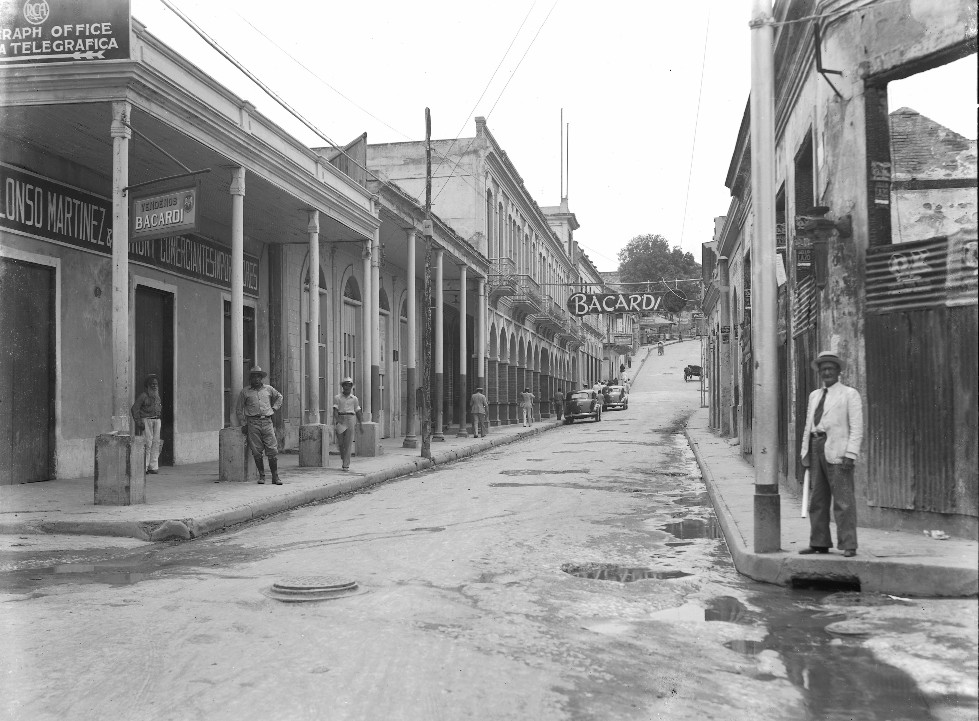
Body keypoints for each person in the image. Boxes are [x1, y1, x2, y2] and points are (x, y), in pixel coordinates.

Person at [799, 350, 864, 558]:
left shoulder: (849, 394)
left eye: (831, 368)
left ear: (838, 371)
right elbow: (809, 425)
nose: (827, 372)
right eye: (823, 369)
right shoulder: (814, 396)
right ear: (819, 372)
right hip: (816, 445)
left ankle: (848, 544)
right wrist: (805, 451)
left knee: (843, 500)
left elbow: (857, 427)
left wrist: (850, 454)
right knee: (817, 499)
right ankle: (819, 542)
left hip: (838, 450)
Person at [235, 366, 283, 485]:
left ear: (261, 378)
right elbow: (239, 409)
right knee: (256, 450)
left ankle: (275, 476)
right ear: (250, 378)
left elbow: (279, 397)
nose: (256, 379)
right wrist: (243, 423)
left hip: (267, 421)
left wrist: (274, 408)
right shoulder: (245, 391)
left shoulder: (269, 389)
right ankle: (262, 476)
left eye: (258, 376)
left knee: (272, 449)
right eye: (253, 376)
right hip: (253, 423)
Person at [131, 374, 163, 474]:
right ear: (148, 386)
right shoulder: (143, 396)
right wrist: (139, 422)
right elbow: (134, 409)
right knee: (147, 443)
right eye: (152, 384)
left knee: (156, 443)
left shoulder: (157, 396)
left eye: (156, 384)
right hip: (147, 421)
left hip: (157, 421)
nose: (154, 386)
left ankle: (153, 467)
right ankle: (143, 467)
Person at [333, 377, 364, 470]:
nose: (347, 387)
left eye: (349, 385)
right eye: (345, 385)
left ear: (351, 387)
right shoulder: (337, 397)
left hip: (350, 419)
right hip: (341, 418)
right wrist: (337, 420)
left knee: (348, 442)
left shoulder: (354, 399)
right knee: (341, 443)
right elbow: (335, 410)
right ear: (343, 386)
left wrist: (361, 424)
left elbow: (357, 411)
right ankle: (343, 456)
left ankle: (346, 464)